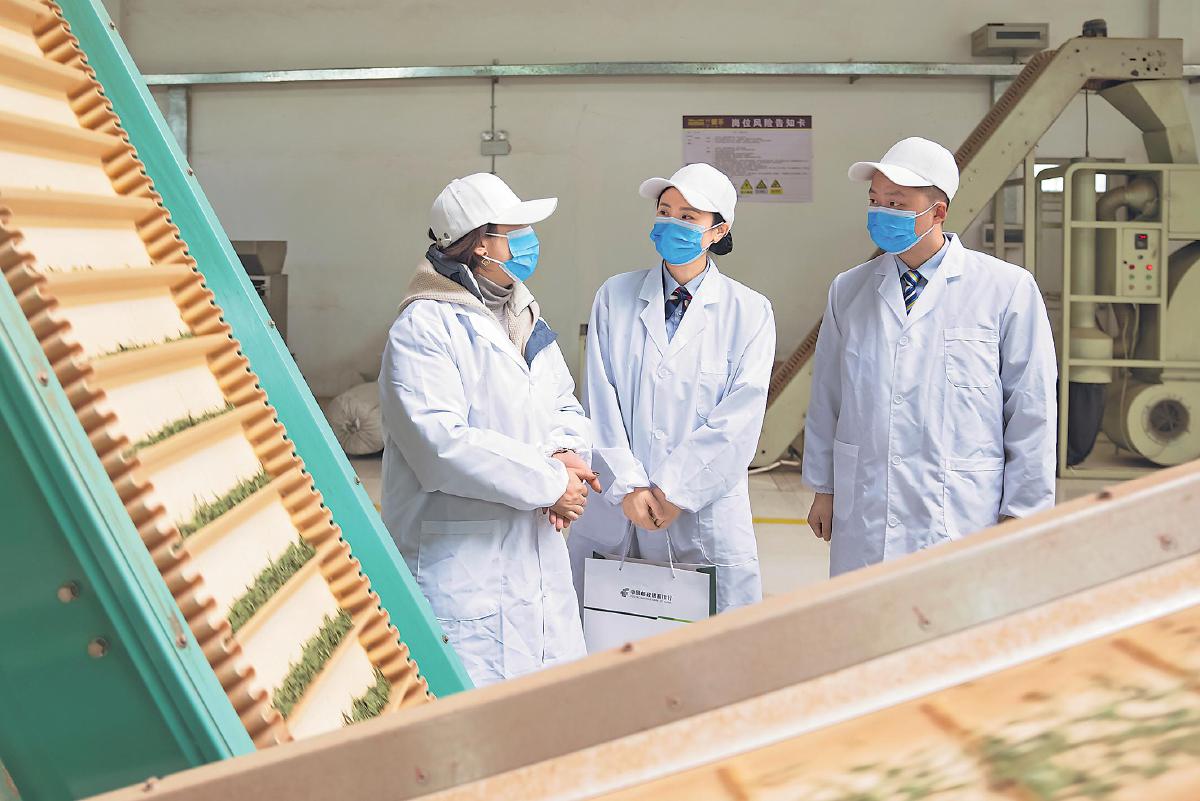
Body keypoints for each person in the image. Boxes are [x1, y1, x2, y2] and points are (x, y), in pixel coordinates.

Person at [378, 172, 601, 685]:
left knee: (546, 708)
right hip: (463, 569)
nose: (529, 241)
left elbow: (563, 402)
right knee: (468, 713)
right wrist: (552, 483)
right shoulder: (423, 326)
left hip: (535, 557)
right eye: (516, 230)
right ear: (481, 244)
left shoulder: (522, 313)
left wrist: (567, 454)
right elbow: (441, 446)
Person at [803, 137, 1057, 576]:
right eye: (875, 200)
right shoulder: (849, 289)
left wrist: (1023, 512)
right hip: (867, 507)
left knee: (951, 611)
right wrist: (824, 488)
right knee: (867, 612)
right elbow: (828, 397)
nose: (880, 212)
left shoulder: (1005, 288)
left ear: (938, 212)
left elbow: (1031, 407)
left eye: (896, 203)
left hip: (961, 508)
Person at [568, 163, 776, 613]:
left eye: (688, 216)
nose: (672, 224)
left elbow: (739, 419)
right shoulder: (614, 296)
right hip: (620, 509)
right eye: (665, 211)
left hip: (702, 513)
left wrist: (675, 492)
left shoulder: (749, 311)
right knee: (609, 635)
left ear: (718, 231)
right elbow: (599, 399)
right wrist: (629, 487)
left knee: (711, 641)